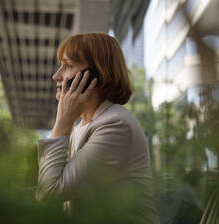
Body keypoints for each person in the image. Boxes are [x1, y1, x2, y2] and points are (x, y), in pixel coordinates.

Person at [36, 32, 160, 223]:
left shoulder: (116, 124)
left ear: (95, 75)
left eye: (68, 66)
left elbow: (50, 193)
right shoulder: (82, 126)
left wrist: (62, 123)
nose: (56, 76)